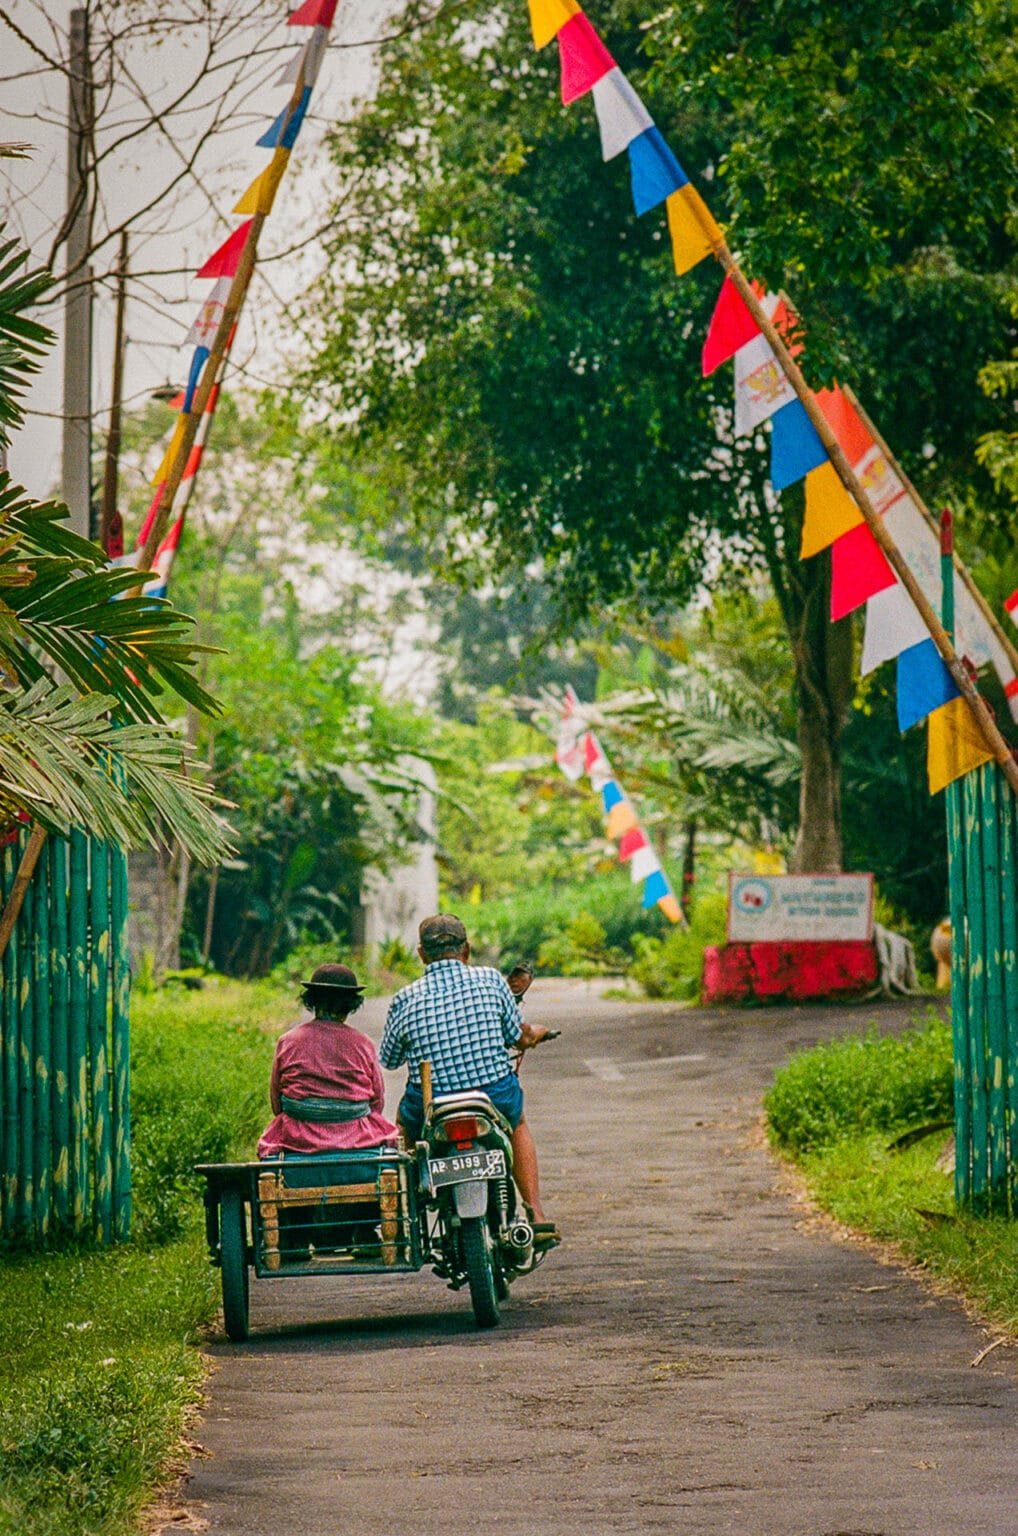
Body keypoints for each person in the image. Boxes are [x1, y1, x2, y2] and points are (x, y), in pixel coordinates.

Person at [379, 915, 559, 1245]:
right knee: (517, 1122)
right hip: (492, 1098)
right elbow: (517, 1036)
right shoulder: (492, 981)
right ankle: (535, 1212)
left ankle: (407, 1211)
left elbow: (389, 1060)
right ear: (466, 950)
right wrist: (535, 1035)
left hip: (432, 1105)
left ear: (422, 954)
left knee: (403, 1126)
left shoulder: (405, 999)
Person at [258, 962, 397, 1159]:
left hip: (297, 1136)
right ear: (350, 1005)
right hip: (356, 1135)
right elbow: (377, 1102)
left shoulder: (287, 1041)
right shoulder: (363, 1043)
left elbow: (276, 1103)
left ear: (312, 1002)